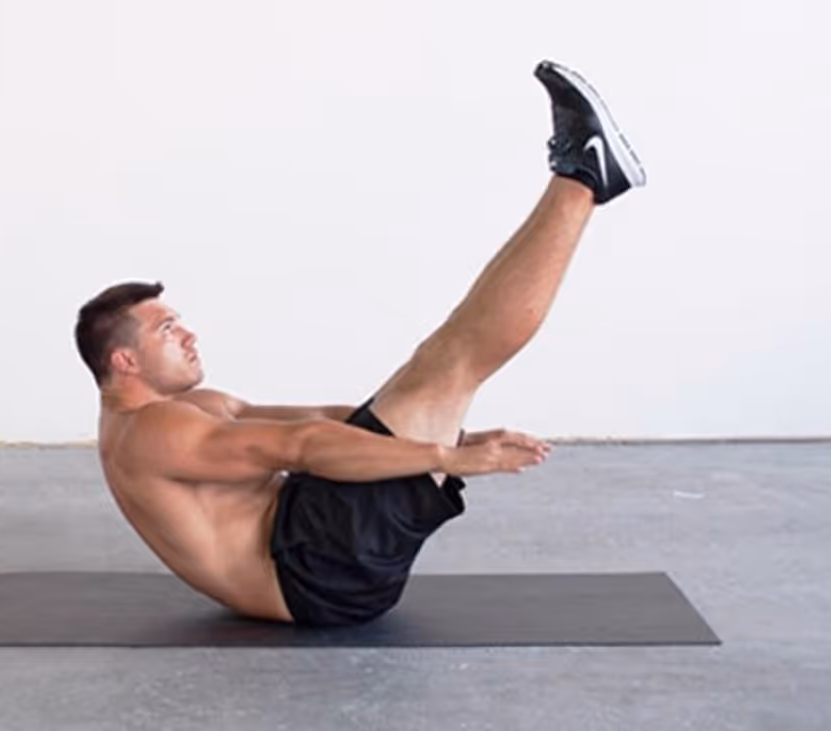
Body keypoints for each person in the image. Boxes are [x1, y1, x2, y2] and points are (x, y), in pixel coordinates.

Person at [74, 60, 646, 627]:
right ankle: (584, 177)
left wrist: (454, 435)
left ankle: (582, 174)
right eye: (166, 330)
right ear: (125, 361)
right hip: (317, 575)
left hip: (314, 550)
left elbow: (321, 421)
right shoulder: (153, 431)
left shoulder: (182, 411)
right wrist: (448, 458)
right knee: (453, 361)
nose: (188, 335)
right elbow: (302, 446)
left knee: (437, 365)